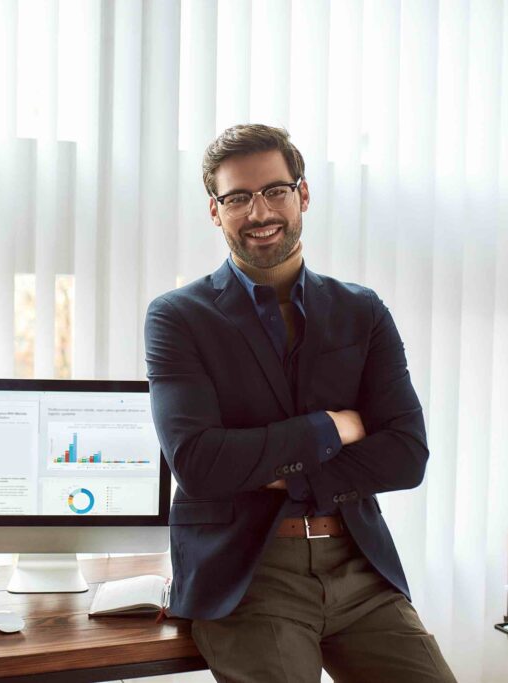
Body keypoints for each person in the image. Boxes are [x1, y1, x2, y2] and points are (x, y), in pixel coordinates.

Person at [144, 124, 455, 682]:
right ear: (215, 211)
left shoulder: (362, 310)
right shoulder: (177, 317)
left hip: (359, 566)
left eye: (275, 190)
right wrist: (334, 426)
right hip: (250, 574)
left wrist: (272, 468)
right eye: (237, 197)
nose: (259, 210)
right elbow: (198, 464)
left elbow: (406, 456)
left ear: (302, 195)